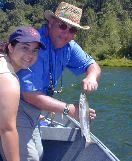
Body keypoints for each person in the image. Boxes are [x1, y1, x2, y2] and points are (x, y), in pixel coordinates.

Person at [16, 2, 101, 161]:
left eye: (72, 29)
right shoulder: (35, 46)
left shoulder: (69, 46)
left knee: (39, 154)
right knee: (30, 158)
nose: (67, 33)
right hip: (16, 106)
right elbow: (29, 95)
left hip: (35, 110)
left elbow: (93, 65)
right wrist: (69, 109)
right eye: (63, 26)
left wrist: (91, 76)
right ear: (51, 22)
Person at [0, 26, 45, 161]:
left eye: (34, 50)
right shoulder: (8, 80)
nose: (30, 55)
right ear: (11, 47)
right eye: (24, 47)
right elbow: (7, 130)